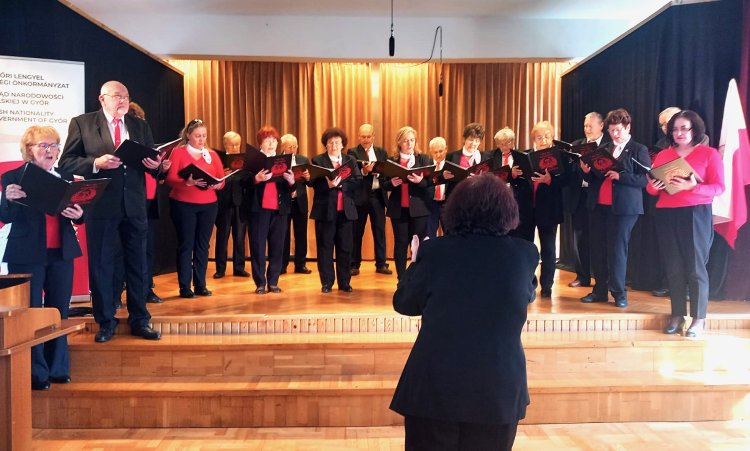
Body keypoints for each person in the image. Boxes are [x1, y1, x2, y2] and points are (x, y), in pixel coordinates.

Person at [390, 173, 539, 451]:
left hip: (436, 385)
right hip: (498, 385)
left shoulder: (435, 251)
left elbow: (405, 303)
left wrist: (414, 263)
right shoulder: (525, 254)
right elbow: (525, 295)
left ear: (456, 209)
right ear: (508, 210)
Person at [59, 80, 161, 343]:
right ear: (102, 98)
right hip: (101, 206)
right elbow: (66, 162)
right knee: (102, 264)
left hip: (135, 206)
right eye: (117, 96)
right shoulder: (82, 123)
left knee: (138, 264)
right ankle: (105, 320)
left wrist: (155, 165)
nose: (123, 101)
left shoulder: (139, 125)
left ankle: (140, 319)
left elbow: (154, 166)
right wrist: (96, 163)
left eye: (126, 96)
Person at [1, 126, 84, 390]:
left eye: (54, 146)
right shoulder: (13, 176)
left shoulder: (68, 177)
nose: (50, 151)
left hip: (61, 252)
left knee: (59, 310)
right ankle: (36, 371)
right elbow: (6, 217)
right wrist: (8, 199)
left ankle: (58, 367)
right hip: (26, 254)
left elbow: (81, 214)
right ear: (29, 150)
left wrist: (79, 213)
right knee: (33, 311)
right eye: (43, 146)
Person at [647, 110, 724, 337]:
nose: (679, 133)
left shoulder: (709, 154)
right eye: (675, 129)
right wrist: (654, 187)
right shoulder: (663, 155)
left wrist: (693, 187)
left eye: (684, 128)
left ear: (694, 130)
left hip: (696, 213)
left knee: (695, 268)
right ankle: (677, 315)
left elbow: (719, 188)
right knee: (673, 267)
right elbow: (651, 187)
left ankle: (698, 319)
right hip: (666, 214)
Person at [579, 109, 650, 308]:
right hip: (599, 204)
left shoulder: (638, 149)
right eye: (611, 131)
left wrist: (622, 176)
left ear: (627, 127)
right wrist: (586, 172)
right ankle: (600, 290)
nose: (614, 134)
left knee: (617, 250)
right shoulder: (604, 148)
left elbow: (645, 179)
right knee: (598, 248)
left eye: (618, 130)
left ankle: (619, 293)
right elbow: (594, 177)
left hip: (624, 208)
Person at [164, 119, 224, 299]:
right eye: (197, 136)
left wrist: (217, 186)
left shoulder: (212, 154)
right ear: (188, 135)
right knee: (186, 245)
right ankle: (185, 287)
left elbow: (221, 179)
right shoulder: (178, 152)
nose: (201, 139)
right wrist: (187, 182)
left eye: (204, 136)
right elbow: (169, 180)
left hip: (208, 205)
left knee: (202, 246)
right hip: (183, 204)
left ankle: (200, 284)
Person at [244, 126, 295, 294]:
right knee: (257, 246)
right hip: (259, 210)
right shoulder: (252, 161)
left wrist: (291, 181)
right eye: (268, 140)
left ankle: (273, 281)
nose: (272, 143)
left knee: (277, 246)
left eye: (274, 140)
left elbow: (293, 189)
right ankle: (260, 282)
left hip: (279, 209)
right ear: (261, 143)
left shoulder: (284, 161)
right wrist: (256, 179)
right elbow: (241, 183)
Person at [310, 127, 361, 293]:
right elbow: (313, 183)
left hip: (346, 210)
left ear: (343, 144)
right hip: (325, 210)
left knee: (345, 247)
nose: (333, 145)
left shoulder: (350, 160)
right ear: (325, 145)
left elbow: (358, 180)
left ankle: (345, 282)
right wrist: (327, 185)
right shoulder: (318, 160)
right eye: (330, 142)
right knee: (325, 247)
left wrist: (341, 184)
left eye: (337, 142)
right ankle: (327, 282)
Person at [563, 112, 606, 288]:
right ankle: (583, 276)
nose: (587, 130)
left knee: (599, 239)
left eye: (591, 126)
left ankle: (602, 278)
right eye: (585, 126)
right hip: (579, 196)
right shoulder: (576, 145)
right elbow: (568, 173)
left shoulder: (607, 146)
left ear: (601, 126)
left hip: (598, 197)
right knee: (579, 238)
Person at [383, 126, 433, 279]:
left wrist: (420, 181)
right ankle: (402, 278)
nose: (409, 143)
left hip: (419, 209)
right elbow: (383, 184)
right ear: (399, 143)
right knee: (401, 243)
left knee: (418, 244)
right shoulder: (391, 161)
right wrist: (392, 183)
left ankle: (418, 277)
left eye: (412, 140)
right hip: (399, 208)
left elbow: (431, 183)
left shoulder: (424, 159)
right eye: (405, 141)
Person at [527, 121, 568, 297]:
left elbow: (567, 181)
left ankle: (547, 286)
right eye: (539, 137)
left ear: (551, 137)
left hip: (549, 209)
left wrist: (549, 180)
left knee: (548, 249)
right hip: (527, 209)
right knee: (527, 249)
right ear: (534, 139)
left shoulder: (560, 155)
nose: (543, 140)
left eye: (546, 136)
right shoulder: (527, 155)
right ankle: (528, 284)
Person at [129, 101, 163, 304]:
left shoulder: (149, 145)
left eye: (142, 121)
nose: (140, 126)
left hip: (149, 202)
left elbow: (156, 174)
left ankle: (147, 287)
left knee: (147, 248)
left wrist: (161, 166)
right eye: (136, 122)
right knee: (126, 249)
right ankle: (121, 290)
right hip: (132, 202)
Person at [348, 124, 392, 275]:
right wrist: (364, 171)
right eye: (363, 136)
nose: (366, 139)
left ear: (373, 136)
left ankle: (381, 264)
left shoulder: (381, 152)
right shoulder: (353, 152)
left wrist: (378, 173)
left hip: (377, 195)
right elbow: (352, 173)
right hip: (359, 197)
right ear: (358, 137)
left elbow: (387, 173)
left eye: (368, 136)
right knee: (356, 231)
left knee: (379, 230)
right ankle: (354, 264)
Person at [214, 131, 250, 279]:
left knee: (240, 236)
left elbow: (248, 179)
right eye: (232, 144)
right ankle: (220, 269)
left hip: (240, 203)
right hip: (223, 203)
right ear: (225, 144)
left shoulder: (245, 160)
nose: (235, 147)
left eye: (237, 144)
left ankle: (239, 268)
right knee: (222, 237)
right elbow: (213, 179)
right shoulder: (218, 159)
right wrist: (221, 174)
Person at [487, 127, 534, 242]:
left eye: (508, 143)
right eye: (501, 144)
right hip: (498, 200)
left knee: (520, 234)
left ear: (513, 141)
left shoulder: (523, 155)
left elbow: (529, 178)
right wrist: (509, 173)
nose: (505, 146)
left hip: (519, 200)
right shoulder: (491, 156)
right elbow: (490, 176)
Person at [280, 133, 312, 274]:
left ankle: (300, 265)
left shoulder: (303, 159)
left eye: (295, 146)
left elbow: (310, 183)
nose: (293, 149)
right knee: (283, 235)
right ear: (283, 147)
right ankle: (282, 265)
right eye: (289, 147)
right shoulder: (278, 160)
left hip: (300, 201)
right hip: (284, 202)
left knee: (301, 234)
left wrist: (308, 177)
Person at [443, 122, 489, 199]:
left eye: (477, 140)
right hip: (456, 197)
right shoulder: (452, 156)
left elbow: (490, 180)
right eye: (471, 140)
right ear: (464, 139)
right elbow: (442, 178)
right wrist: (444, 175)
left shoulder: (485, 157)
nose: (473, 143)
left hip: (477, 198)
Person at [426, 136, 447, 238]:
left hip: (447, 205)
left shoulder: (451, 165)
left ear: (446, 149)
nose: (438, 155)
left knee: (450, 235)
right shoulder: (426, 165)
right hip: (430, 205)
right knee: (429, 237)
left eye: (441, 151)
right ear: (430, 151)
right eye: (435, 152)